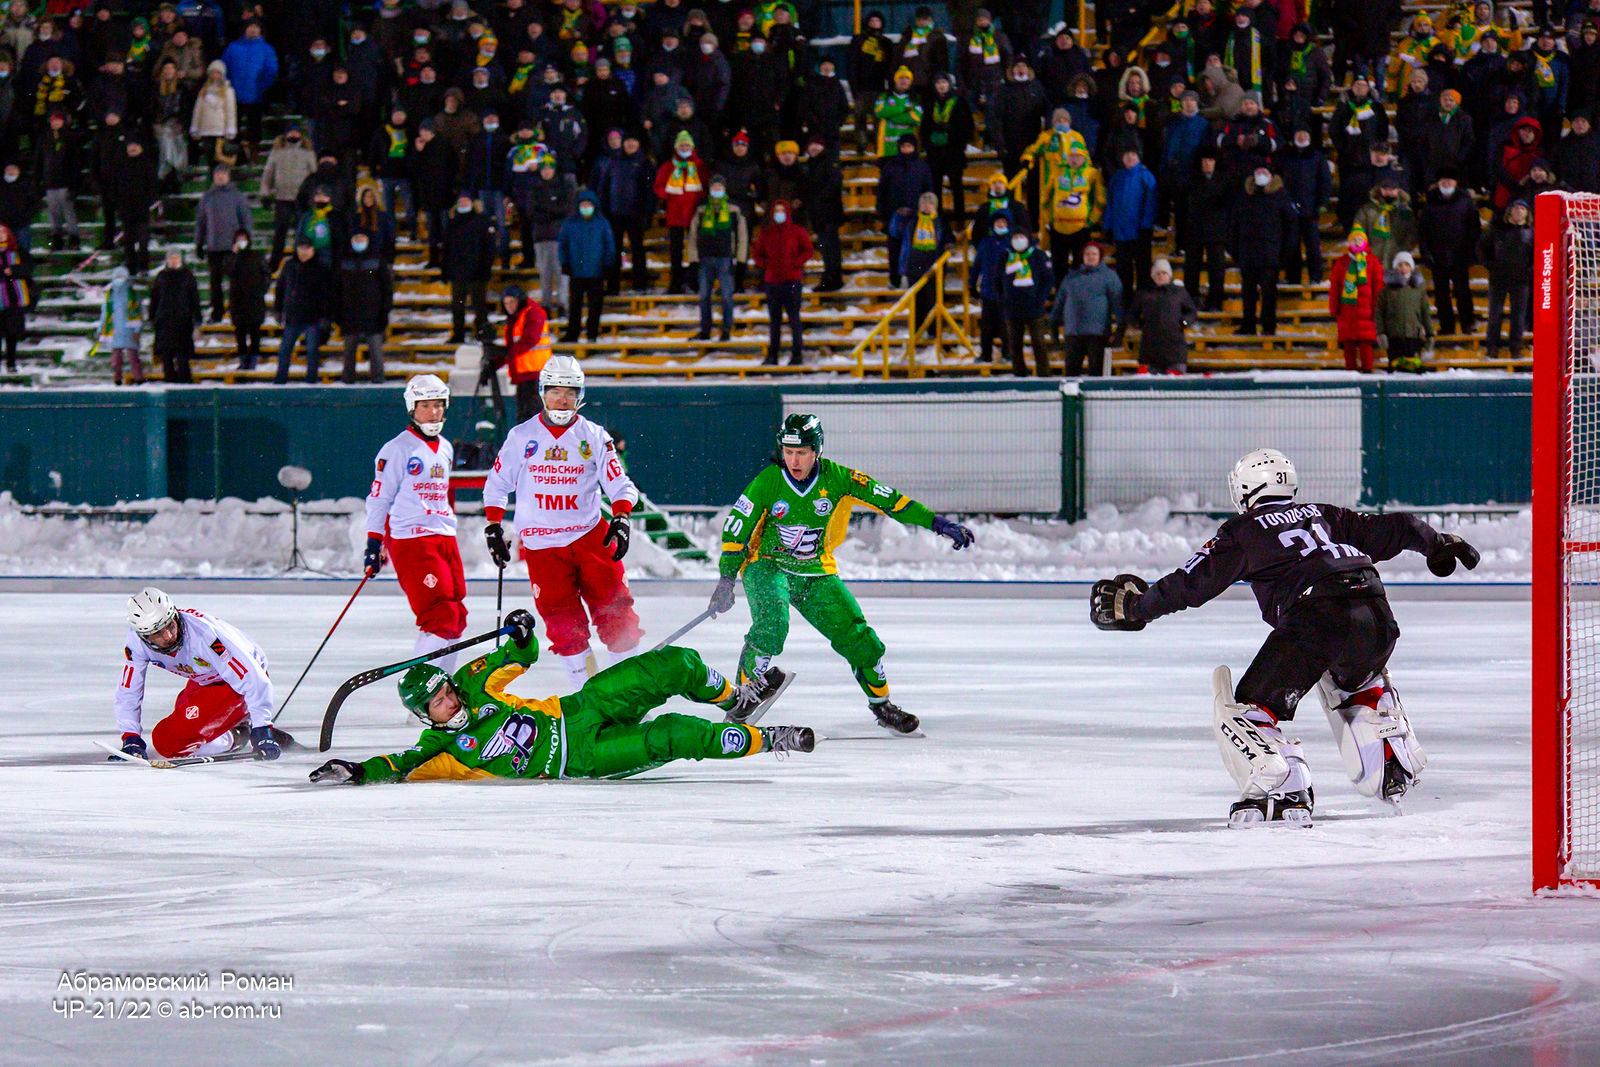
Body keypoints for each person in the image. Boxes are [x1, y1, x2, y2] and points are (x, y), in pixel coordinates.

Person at [1090, 448, 1480, 825]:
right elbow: (1400, 527)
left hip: (1316, 618)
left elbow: (1191, 583)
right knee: (1354, 681)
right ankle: (1389, 756)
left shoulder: (1244, 531)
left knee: (1250, 710)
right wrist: (1437, 544)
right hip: (1377, 617)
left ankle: (1283, 787)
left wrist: (1136, 607)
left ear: (1244, 491)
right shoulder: (1326, 515)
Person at [308, 610, 815, 786]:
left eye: (445, 689)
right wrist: (357, 771)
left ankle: (736, 700)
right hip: (584, 758)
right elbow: (397, 765)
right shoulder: (438, 750)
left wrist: (521, 631)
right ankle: (770, 740)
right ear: (426, 716)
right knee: (674, 735)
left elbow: (520, 655)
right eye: (438, 701)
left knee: (673, 664)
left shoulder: (472, 683)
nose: (449, 699)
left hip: (580, 708)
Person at [708, 413, 976, 736]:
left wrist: (937, 523)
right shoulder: (768, 481)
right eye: (788, 452)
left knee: (859, 637)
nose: (794, 461)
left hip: (814, 572)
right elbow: (736, 528)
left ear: (817, 450)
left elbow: (891, 500)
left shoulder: (839, 478)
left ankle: (882, 705)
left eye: (802, 452)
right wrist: (726, 579)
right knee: (772, 623)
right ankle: (744, 696)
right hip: (766, 565)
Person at [483, 356, 641, 689]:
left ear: (580, 395)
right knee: (564, 628)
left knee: (617, 615)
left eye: (570, 392)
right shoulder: (521, 436)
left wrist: (622, 516)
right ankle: (590, 697)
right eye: (555, 391)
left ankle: (630, 695)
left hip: (589, 537)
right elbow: (496, 485)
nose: (562, 400)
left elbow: (620, 483)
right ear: (542, 392)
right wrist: (494, 526)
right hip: (542, 546)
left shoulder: (594, 435)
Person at [113, 587, 291, 762]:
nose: (168, 636)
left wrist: (263, 729)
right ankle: (236, 725)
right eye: (157, 633)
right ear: (144, 636)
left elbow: (253, 679)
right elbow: (129, 690)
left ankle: (238, 735)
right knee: (181, 718)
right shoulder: (136, 642)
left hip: (238, 681)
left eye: (170, 625)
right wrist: (130, 736)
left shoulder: (206, 636)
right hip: (206, 677)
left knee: (168, 742)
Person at [365, 374, 468, 669]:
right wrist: (374, 542)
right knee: (439, 616)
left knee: (456, 617)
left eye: (438, 405)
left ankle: (443, 687)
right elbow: (379, 497)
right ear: (412, 408)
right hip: (412, 538)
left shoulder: (445, 448)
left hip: (444, 535)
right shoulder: (397, 449)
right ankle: (422, 689)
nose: (433, 412)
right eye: (425, 406)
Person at [1232, 163, 1295, 336]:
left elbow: (1290, 225)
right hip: (1247, 254)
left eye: (1264, 171)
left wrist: (1285, 253)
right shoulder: (1244, 196)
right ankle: (1248, 325)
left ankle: (1268, 326)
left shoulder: (1280, 195)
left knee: (1269, 294)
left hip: (1270, 254)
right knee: (1248, 293)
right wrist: (1236, 251)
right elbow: (1234, 224)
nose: (1261, 174)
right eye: (1258, 171)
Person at [751, 198, 813, 367]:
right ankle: (773, 355)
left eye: (782, 211)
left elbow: (808, 250)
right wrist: (767, 265)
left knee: (794, 319)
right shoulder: (767, 233)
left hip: (792, 280)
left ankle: (797, 354)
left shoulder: (797, 231)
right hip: (772, 282)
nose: (780, 214)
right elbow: (757, 254)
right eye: (777, 211)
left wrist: (795, 263)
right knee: (774, 321)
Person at [1417, 170, 1480, 337]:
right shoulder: (1430, 204)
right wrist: (1426, 254)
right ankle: (1447, 326)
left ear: (1456, 183)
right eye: (1443, 182)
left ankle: (1468, 323)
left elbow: (1474, 230)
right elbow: (1423, 232)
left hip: (1460, 255)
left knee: (1463, 292)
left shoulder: (1466, 202)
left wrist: (1471, 252)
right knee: (1441, 294)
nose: (1446, 184)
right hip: (1438, 256)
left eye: (1449, 181)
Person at [687, 174, 748, 342]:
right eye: (714, 187)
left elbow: (742, 237)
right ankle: (705, 329)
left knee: (727, 296)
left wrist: (741, 260)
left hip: (725, 258)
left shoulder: (734, 210)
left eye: (719, 187)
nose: (716, 190)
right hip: (705, 258)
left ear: (724, 189)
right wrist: (693, 260)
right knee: (704, 296)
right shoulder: (701, 210)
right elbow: (693, 236)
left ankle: (726, 328)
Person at [1052, 242, 1122, 377]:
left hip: (1098, 334)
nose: (1091, 256)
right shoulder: (1071, 277)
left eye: (1094, 254)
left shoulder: (1109, 277)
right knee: (1071, 374)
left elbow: (1118, 303)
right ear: (1082, 257)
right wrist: (1053, 325)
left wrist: (1120, 329)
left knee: (1096, 374)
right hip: (1073, 333)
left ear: (1100, 256)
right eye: (1087, 254)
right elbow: (1059, 302)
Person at [193, 165, 252, 324]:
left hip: (233, 247)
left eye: (223, 174)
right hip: (214, 246)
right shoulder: (207, 197)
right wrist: (199, 243)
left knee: (236, 283)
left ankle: (237, 312)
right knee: (215, 283)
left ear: (228, 176)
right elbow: (201, 222)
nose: (220, 177)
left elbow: (246, 220)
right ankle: (217, 313)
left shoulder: (237, 196)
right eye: (217, 174)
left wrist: (246, 241)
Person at [557, 189, 615, 344]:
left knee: (595, 305)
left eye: (588, 204)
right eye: (583, 204)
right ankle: (572, 333)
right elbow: (563, 244)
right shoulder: (570, 224)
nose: (586, 207)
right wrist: (564, 262)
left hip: (596, 272)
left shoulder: (602, 223)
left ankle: (592, 333)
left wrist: (608, 264)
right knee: (575, 305)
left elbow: (609, 246)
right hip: (576, 271)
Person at [334, 232, 394, 384]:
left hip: (373, 315)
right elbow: (336, 288)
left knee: (376, 352)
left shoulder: (377, 260)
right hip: (349, 315)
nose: (359, 241)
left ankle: (378, 380)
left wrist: (385, 310)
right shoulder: (343, 260)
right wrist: (337, 312)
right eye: (356, 238)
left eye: (362, 239)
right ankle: (347, 381)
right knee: (348, 353)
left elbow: (386, 287)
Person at [1480, 199, 1534, 362]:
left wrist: (1529, 270)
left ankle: (1515, 348)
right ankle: (1492, 348)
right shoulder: (1497, 230)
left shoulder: (1532, 233)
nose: (1519, 211)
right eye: (1516, 208)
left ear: (1527, 213)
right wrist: (1491, 265)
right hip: (1499, 279)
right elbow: (1482, 249)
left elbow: (1537, 255)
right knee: (1495, 314)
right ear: (1510, 211)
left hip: (1521, 281)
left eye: (1522, 209)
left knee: (1518, 317)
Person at [654, 130, 707, 294]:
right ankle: (675, 283)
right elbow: (658, 186)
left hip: (694, 213)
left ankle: (694, 282)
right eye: (682, 146)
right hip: (675, 213)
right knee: (675, 251)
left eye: (687, 146)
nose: (684, 148)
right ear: (676, 148)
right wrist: (667, 194)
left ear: (692, 147)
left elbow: (706, 186)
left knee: (695, 250)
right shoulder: (668, 166)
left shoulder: (699, 165)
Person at [272, 239, 330, 384]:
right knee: (285, 349)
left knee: (312, 351)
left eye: (307, 248)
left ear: (313, 250)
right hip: (292, 317)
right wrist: (278, 309)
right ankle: (280, 378)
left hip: (313, 318)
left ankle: (311, 379)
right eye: (301, 248)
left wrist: (325, 316)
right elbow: (280, 288)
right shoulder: (289, 266)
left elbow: (326, 295)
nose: (304, 252)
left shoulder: (321, 268)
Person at [1000, 228, 1056, 376]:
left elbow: (1048, 279)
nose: (1019, 239)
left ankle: (1044, 374)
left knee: (1039, 342)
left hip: (1034, 307)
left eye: (1021, 236)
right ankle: (1019, 373)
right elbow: (997, 280)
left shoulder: (1039, 255)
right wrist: (1003, 299)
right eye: (1015, 236)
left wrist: (1040, 298)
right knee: (1014, 344)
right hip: (1012, 308)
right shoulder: (1005, 256)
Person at [261, 125, 318, 271]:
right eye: (291, 132)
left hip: (301, 200)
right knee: (280, 233)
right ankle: (274, 265)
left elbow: (314, 175)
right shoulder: (277, 152)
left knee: (301, 232)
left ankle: (301, 263)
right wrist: (265, 193)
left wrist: (313, 195)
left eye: (296, 132)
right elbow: (268, 173)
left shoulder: (307, 153)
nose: (293, 135)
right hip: (282, 198)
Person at [1329, 224, 1385, 373]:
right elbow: (1335, 287)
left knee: (1366, 344)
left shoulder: (1372, 262)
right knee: (1349, 345)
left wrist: (1377, 309)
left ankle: (1367, 370)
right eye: (1354, 240)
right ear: (1349, 243)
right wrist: (1334, 307)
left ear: (1365, 242)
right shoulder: (1342, 262)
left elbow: (1378, 288)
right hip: (1347, 312)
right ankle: (1351, 372)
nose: (1357, 242)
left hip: (1367, 312)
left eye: (1360, 240)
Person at [1106, 147, 1157, 309]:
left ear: (1139, 157)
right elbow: (1110, 204)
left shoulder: (1146, 177)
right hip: (1121, 234)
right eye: (1126, 155)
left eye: (1133, 155)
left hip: (1140, 233)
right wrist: (1108, 226)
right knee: (1123, 271)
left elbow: (1151, 203)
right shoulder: (1116, 178)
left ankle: (1142, 304)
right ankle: (1125, 304)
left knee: (1143, 270)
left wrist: (1146, 226)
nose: (1129, 158)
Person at [442, 192, 496, 344]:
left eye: (466, 201)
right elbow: (447, 248)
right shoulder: (452, 222)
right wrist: (445, 270)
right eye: (461, 201)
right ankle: (458, 333)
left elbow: (489, 247)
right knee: (458, 306)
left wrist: (485, 267)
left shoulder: (481, 221)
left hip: (477, 272)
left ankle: (482, 333)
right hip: (457, 273)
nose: (463, 204)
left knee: (479, 306)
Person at [1127, 258, 1196, 374]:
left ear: (1169, 275)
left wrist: (1184, 322)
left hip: (1175, 349)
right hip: (1150, 351)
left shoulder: (1179, 292)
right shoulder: (1144, 293)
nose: (1161, 276)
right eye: (1157, 273)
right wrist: (1139, 324)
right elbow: (1131, 314)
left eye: (1164, 273)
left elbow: (1191, 312)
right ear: (1153, 276)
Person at [501, 285, 552, 423]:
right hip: (524, 374)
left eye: (512, 302)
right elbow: (513, 347)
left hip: (535, 373)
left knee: (534, 417)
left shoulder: (533, 312)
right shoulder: (517, 317)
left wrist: (505, 353)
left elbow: (529, 340)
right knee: (526, 417)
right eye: (506, 303)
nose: (509, 306)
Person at [1376, 251, 1434, 373]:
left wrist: (1430, 334)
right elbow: (1379, 312)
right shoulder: (1386, 290)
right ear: (1395, 267)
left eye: (1406, 265)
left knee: (1412, 368)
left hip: (1413, 336)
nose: (1403, 268)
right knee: (1396, 368)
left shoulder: (1418, 289)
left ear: (1411, 267)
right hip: (1393, 337)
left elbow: (1425, 312)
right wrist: (1381, 333)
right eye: (1400, 265)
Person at [148, 249, 199, 384]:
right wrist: (152, 316)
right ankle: (169, 380)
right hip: (165, 320)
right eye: (171, 258)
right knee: (167, 355)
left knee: (182, 354)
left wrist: (197, 317)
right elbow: (154, 298)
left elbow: (194, 298)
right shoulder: (161, 276)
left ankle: (185, 381)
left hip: (183, 321)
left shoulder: (187, 276)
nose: (173, 260)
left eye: (176, 257)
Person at [227, 229, 267, 371]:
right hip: (238, 301)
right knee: (240, 332)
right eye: (239, 239)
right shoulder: (231, 257)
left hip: (254, 300)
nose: (241, 241)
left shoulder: (256, 255)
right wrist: (234, 255)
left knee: (255, 331)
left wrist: (261, 290)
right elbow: (228, 271)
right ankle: (243, 360)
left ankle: (253, 360)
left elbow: (265, 274)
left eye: (243, 238)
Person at [96, 265, 143, 386]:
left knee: (133, 356)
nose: (120, 279)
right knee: (116, 357)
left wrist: (137, 329)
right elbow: (105, 313)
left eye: (122, 277)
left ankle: (139, 378)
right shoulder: (109, 295)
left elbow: (138, 312)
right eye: (118, 277)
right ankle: (117, 378)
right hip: (115, 329)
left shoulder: (133, 294)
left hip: (129, 328)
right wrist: (101, 329)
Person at [0, 224, 29, 373]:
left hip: (14, 298)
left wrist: (13, 270)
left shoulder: (18, 251)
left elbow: (27, 268)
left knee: (12, 333)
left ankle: (11, 363)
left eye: (2, 232)